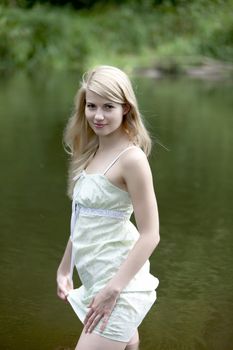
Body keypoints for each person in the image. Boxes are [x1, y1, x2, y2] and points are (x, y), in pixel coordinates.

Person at [56, 65, 160, 350]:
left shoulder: (132, 160)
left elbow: (151, 234)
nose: (98, 116)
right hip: (96, 279)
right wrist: (65, 268)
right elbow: (83, 218)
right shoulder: (90, 151)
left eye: (108, 107)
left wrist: (113, 290)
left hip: (118, 284)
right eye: (91, 106)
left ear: (125, 108)